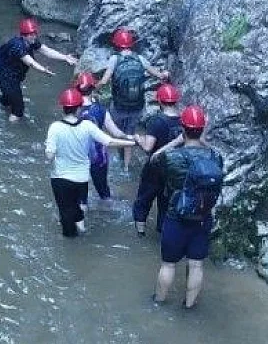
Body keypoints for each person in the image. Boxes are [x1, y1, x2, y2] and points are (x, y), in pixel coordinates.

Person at [153, 105, 223, 308]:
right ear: (202, 129)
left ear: (182, 129)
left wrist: (174, 143)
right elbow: (213, 157)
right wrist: (203, 139)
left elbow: (154, 159)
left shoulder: (172, 157)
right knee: (196, 264)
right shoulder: (215, 157)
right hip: (203, 217)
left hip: (176, 216)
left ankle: (159, 302)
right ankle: (189, 306)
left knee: (168, 264)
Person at [45, 87, 137, 238]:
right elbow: (109, 141)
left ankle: (71, 241)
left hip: (60, 178)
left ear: (63, 107)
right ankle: (81, 229)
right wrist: (132, 143)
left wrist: (51, 150)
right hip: (81, 178)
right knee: (80, 205)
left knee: (65, 210)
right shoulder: (87, 126)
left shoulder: (55, 127)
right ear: (79, 107)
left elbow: (49, 156)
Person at [98, 28, 169, 170]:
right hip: (137, 106)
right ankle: (126, 167)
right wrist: (165, 74)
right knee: (130, 132)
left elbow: (105, 81)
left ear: (116, 45)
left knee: (114, 130)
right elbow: (159, 75)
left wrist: (94, 86)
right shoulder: (140, 59)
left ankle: (111, 161)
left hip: (118, 106)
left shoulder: (114, 59)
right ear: (131, 44)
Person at [0, 18, 78, 124]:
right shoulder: (17, 46)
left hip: (13, 78)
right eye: (30, 34)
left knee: (7, 100)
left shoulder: (31, 41)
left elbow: (46, 50)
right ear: (23, 35)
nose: (34, 36)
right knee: (18, 111)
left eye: (34, 33)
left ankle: (1, 110)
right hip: (8, 80)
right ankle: (10, 127)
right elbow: (29, 61)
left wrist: (65, 57)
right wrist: (44, 70)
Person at [131, 82, 184, 236]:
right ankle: (162, 233)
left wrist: (138, 139)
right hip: (174, 170)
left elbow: (148, 147)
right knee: (165, 203)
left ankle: (140, 232)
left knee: (144, 199)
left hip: (154, 168)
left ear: (159, 101)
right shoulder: (182, 121)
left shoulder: (157, 121)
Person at [73, 73, 125, 206]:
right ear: (93, 89)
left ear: (77, 89)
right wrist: (131, 137)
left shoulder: (72, 110)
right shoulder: (101, 110)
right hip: (99, 156)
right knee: (103, 191)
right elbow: (116, 133)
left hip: (79, 156)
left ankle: (81, 222)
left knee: (79, 195)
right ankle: (109, 210)